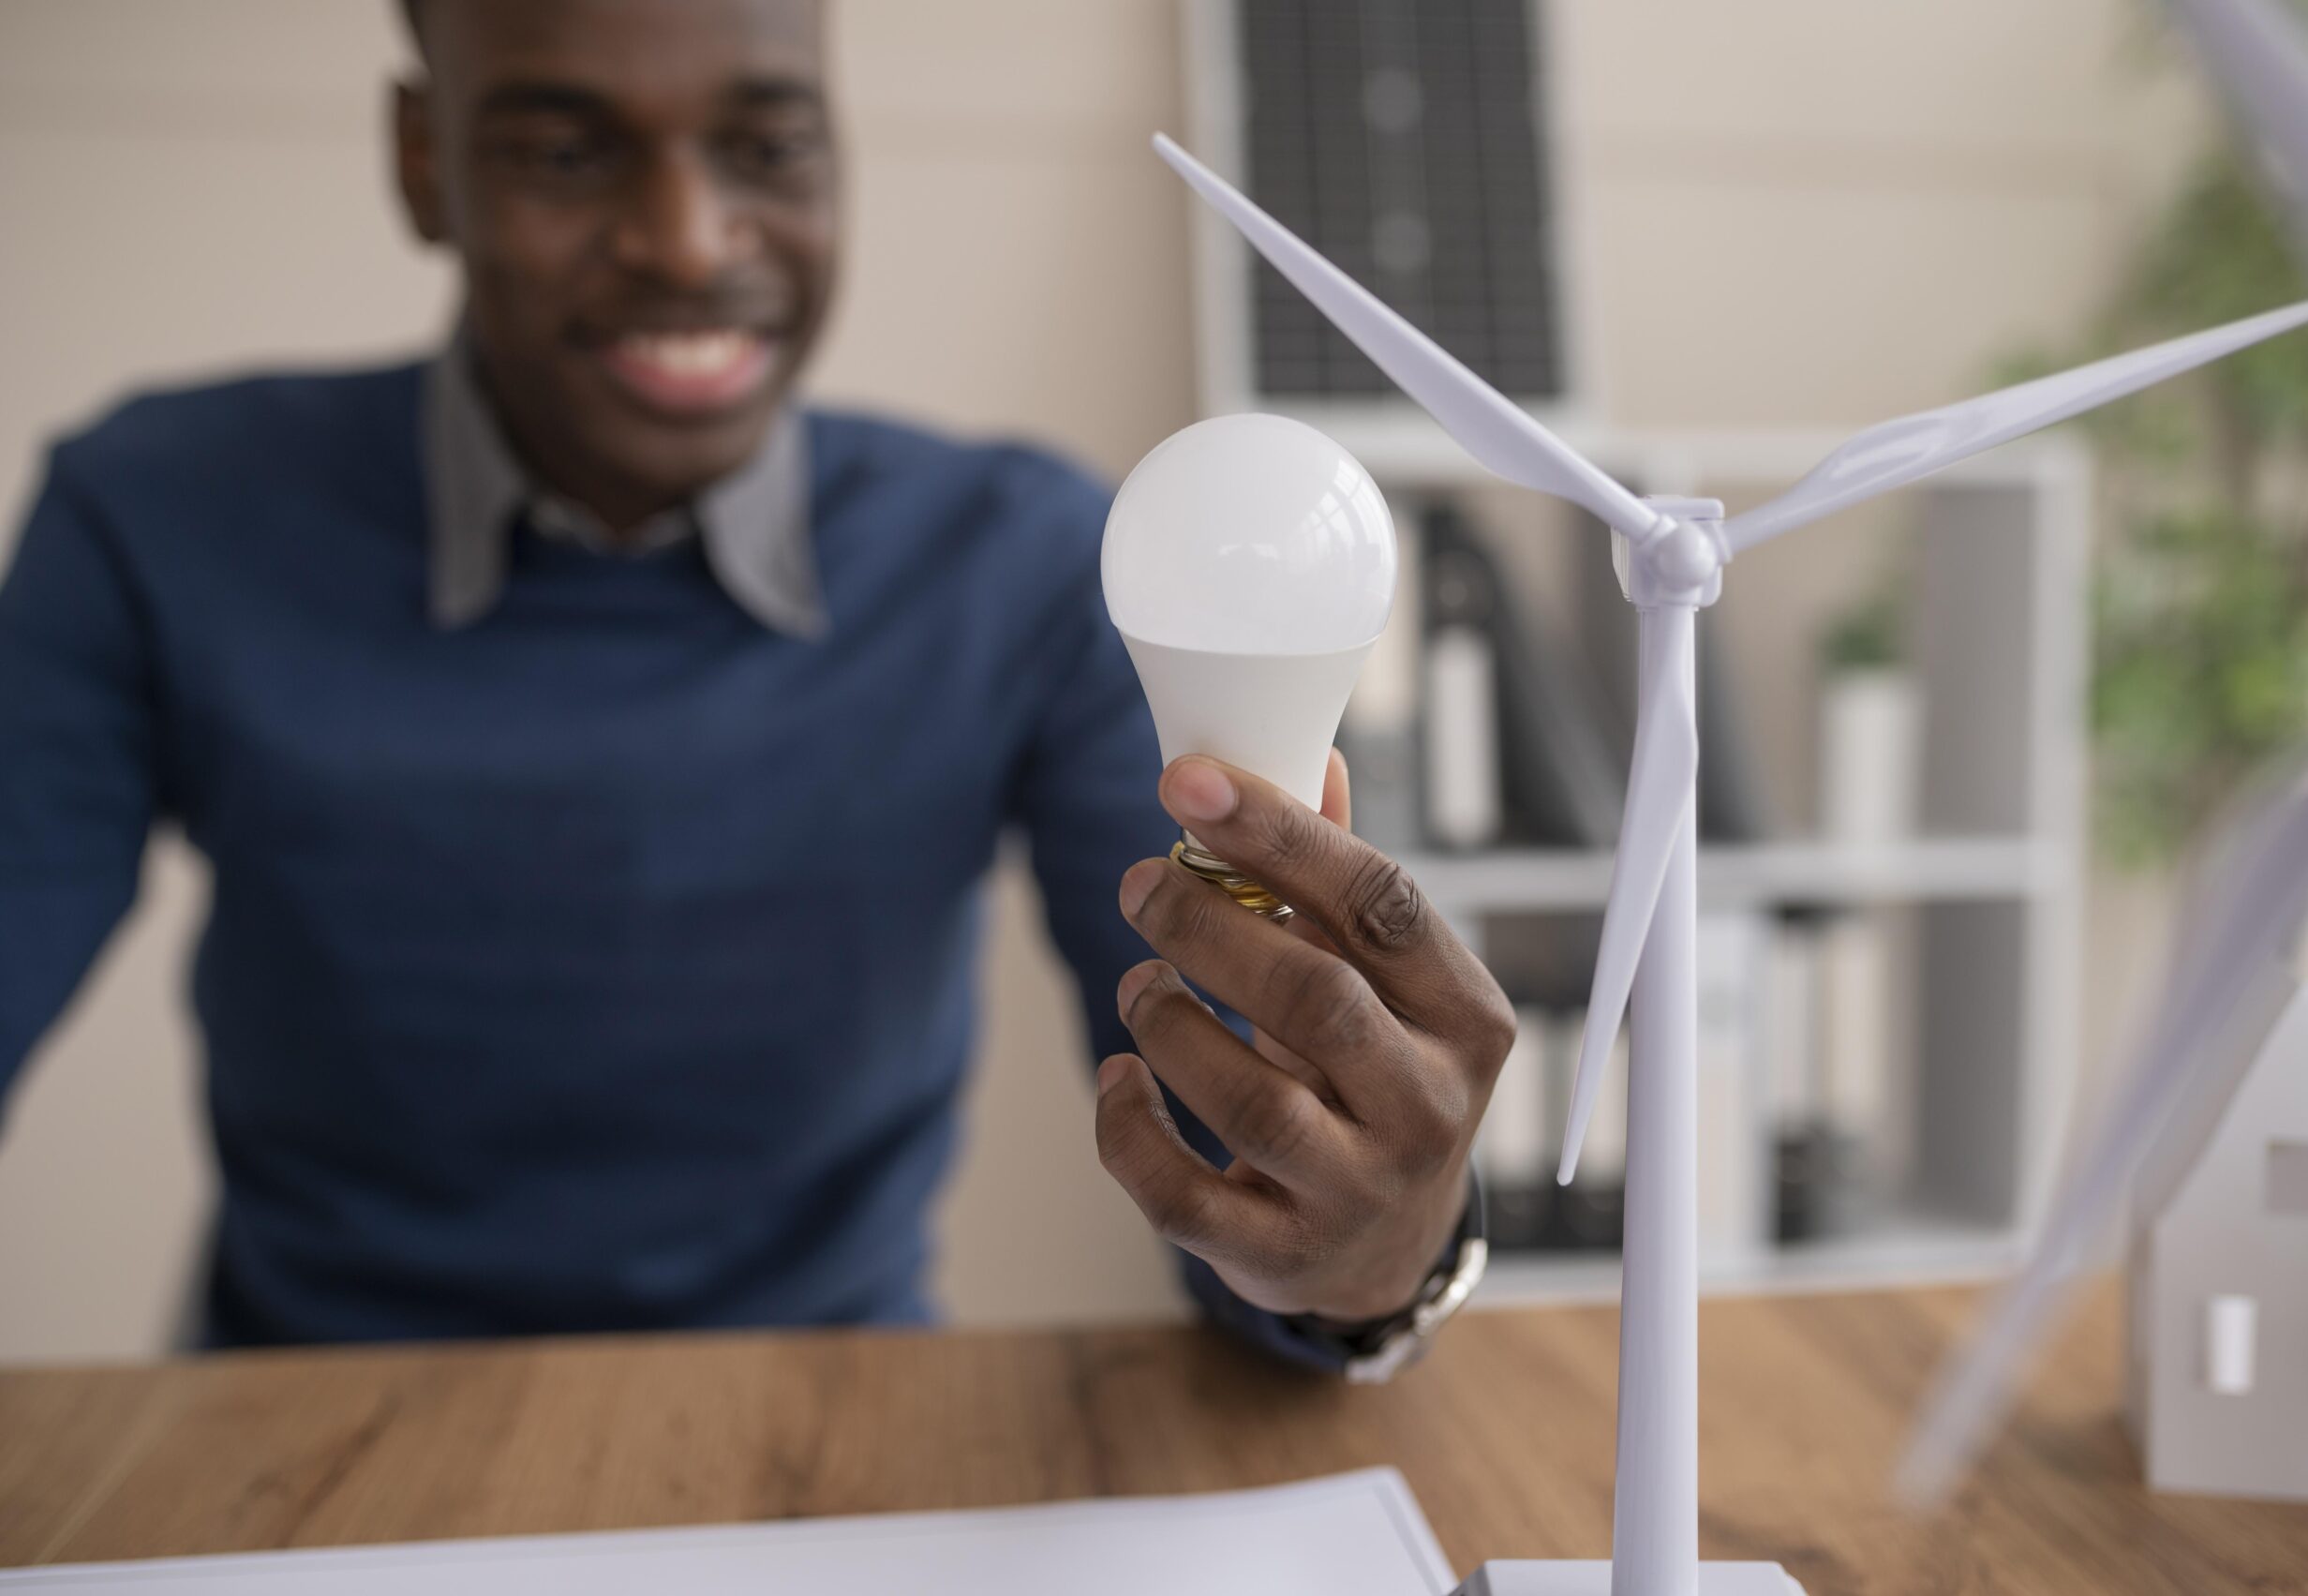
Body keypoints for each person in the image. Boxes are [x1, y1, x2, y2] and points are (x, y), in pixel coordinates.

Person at [0, 0, 1512, 1370]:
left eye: (767, 145)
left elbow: (1239, 1201)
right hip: (300, 1441)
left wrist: (1366, 1256)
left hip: (821, 1445)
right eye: (566, 151)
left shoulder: (1019, 565)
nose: (685, 239)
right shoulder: (154, 521)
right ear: (422, 161)